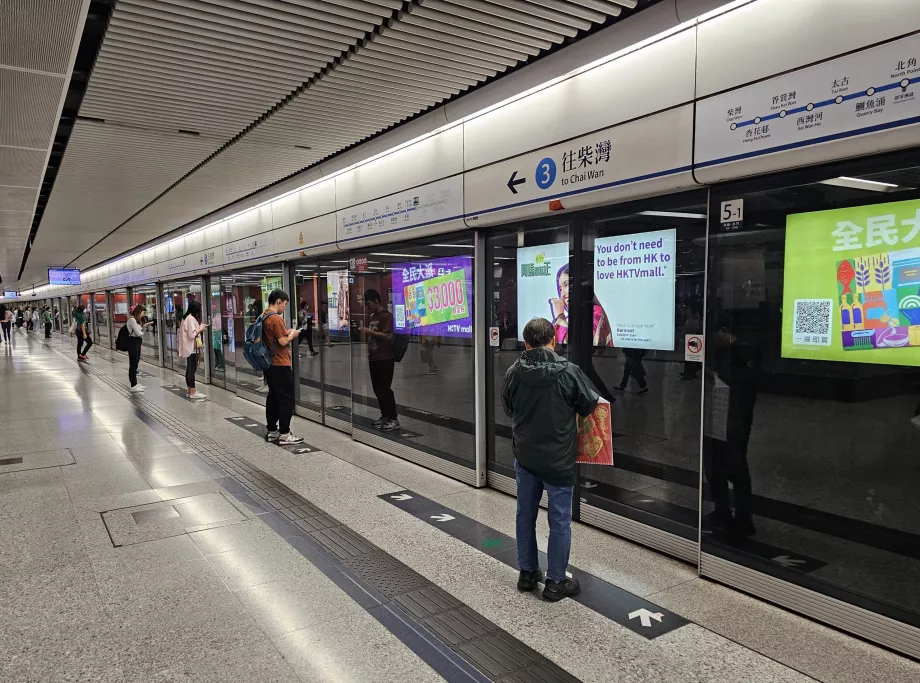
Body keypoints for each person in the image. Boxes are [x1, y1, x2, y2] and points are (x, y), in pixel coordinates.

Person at [501, 317, 599, 601]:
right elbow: (588, 404)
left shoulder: (513, 372)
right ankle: (556, 582)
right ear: (553, 340)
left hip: (526, 456)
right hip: (559, 460)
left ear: (526, 342)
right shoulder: (569, 371)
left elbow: (508, 408)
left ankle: (527, 573)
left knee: (525, 514)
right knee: (559, 520)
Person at [705, 314, 759, 537]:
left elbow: (738, 383)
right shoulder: (731, 353)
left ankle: (741, 518)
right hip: (725, 415)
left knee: (734, 467)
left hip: (733, 418)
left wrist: (716, 375)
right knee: (718, 466)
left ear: (724, 332)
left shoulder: (743, 353)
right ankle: (725, 512)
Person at [261, 290, 303, 444]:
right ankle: (285, 433)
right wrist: (292, 334)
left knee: (273, 396)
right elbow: (283, 342)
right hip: (280, 363)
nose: (285, 307)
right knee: (286, 398)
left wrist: (286, 334)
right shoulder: (276, 319)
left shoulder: (264, 315)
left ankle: (272, 430)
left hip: (269, 363)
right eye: (285, 304)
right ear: (278, 301)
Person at [359, 289, 399, 431]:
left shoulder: (387, 316)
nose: (367, 307)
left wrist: (371, 332)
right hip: (374, 358)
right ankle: (385, 415)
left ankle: (393, 418)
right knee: (377, 389)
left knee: (385, 388)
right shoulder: (373, 316)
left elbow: (388, 336)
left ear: (376, 300)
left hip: (385, 358)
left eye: (369, 303)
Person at [178, 301, 208, 399]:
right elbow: (192, 334)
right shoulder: (191, 318)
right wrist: (201, 329)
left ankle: (190, 390)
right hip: (192, 348)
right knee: (192, 370)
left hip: (188, 347)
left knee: (189, 369)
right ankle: (193, 392)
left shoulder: (186, 317)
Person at [127, 305, 152, 393]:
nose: (143, 314)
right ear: (139, 311)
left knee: (136, 362)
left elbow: (140, 330)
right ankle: (133, 384)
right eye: (143, 312)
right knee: (133, 364)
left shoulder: (136, 320)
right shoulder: (132, 320)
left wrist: (144, 326)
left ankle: (135, 383)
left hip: (137, 342)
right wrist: (142, 331)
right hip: (133, 342)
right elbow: (138, 333)